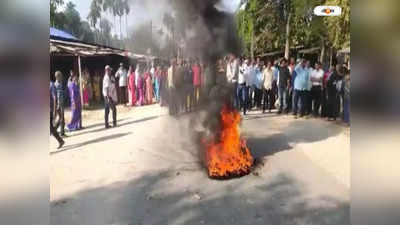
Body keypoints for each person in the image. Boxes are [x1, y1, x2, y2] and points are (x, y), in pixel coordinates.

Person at [50, 81, 65, 149]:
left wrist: (54, 110)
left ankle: (60, 140)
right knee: (51, 128)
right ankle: (60, 141)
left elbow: (54, 97)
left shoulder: (51, 85)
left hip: (50, 109)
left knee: (50, 127)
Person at [54, 71, 65, 137]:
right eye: (60, 76)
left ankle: (62, 132)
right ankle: (55, 130)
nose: (61, 77)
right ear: (57, 76)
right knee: (61, 118)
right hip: (59, 104)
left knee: (62, 118)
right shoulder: (56, 84)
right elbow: (57, 96)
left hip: (61, 102)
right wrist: (58, 105)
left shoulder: (60, 83)